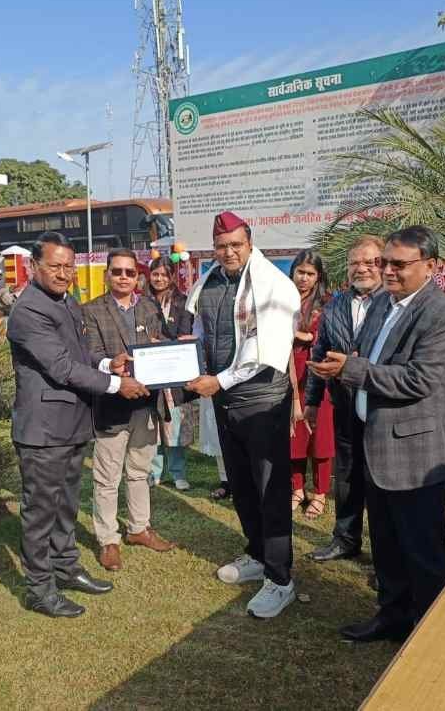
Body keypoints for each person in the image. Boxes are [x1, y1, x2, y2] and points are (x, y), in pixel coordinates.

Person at [311, 226, 445, 642]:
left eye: (399, 264)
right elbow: (366, 357)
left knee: (422, 552)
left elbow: (420, 380)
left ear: (430, 267)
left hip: (416, 455)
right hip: (374, 444)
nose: (389, 271)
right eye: (385, 263)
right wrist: (340, 366)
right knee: (386, 545)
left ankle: (428, 634)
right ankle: (392, 617)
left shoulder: (442, 314)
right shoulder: (383, 303)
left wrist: (352, 369)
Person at [8, 232, 149, 617]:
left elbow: (78, 355)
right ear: (33, 266)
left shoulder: (66, 301)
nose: (63, 273)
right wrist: (117, 384)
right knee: (41, 512)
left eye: (68, 266)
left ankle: (66, 568)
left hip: (71, 422)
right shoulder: (29, 310)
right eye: (54, 266)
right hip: (43, 429)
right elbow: (61, 367)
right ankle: (40, 588)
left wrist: (106, 364)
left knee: (66, 505)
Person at [185, 211, 299, 619]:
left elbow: (260, 351)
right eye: (221, 246)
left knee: (270, 489)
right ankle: (257, 553)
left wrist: (219, 380)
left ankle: (280, 579)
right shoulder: (210, 282)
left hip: (262, 399)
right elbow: (198, 333)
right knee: (241, 483)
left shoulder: (273, 285)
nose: (228, 252)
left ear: (250, 243)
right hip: (225, 399)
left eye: (236, 244)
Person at [84, 249, 176, 571]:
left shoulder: (150, 307)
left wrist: (171, 349)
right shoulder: (92, 310)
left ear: (138, 277)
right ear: (107, 274)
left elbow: (164, 343)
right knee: (107, 477)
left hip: (146, 403)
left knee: (139, 471)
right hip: (111, 402)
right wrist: (111, 364)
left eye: (130, 272)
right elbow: (89, 354)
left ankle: (138, 528)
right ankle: (108, 539)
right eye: (117, 271)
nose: (123, 277)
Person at [306, 235, 384, 561]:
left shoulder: (393, 304)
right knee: (347, 475)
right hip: (344, 405)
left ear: (384, 265)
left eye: (369, 262)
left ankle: (384, 552)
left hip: (382, 408)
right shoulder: (335, 306)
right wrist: (312, 402)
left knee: (380, 482)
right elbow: (320, 353)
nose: (361, 268)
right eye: (355, 263)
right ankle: (345, 539)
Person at [288, 249, 334, 519]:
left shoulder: (326, 304)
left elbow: (328, 338)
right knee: (293, 436)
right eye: (300, 272)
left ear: (318, 277)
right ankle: (296, 488)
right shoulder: (282, 298)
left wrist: (301, 335)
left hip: (316, 377)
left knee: (319, 437)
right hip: (287, 376)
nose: (304, 278)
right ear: (292, 272)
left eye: (310, 274)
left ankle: (320, 492)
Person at [146, 256, 194, 490]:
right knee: (152, 426)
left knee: (174, 425)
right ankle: (154, 472)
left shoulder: (183, 302)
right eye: (155, 274)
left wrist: (160, 343)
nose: (159, 279)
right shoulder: (142, 302)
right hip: (150, 370)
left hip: (174, 371)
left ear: (172, 276)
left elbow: (184, 334)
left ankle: (178, 473)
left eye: (164, 274)